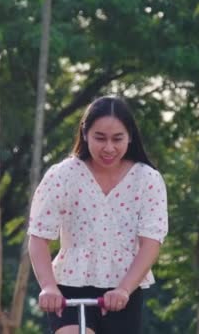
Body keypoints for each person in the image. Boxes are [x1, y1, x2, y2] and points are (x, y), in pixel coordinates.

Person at [27, 96, 168, 334]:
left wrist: (124, 289)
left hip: (125, 287)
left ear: (130, 136)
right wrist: (49, 287)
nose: (109, 148)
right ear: (85, 134)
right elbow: (39, 237)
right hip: (69, 287)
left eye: (117, 139)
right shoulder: (62, 175)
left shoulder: (147, 179)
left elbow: (150, 243)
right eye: (100, 138)